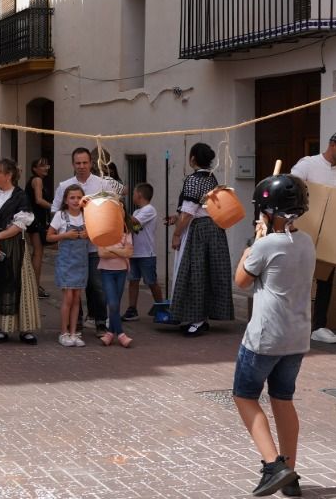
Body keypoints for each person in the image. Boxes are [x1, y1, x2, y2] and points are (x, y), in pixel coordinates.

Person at [232, 173, 316, 497]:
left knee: (245, 395)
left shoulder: (265, 245)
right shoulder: (307, 241)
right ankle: (290, 471)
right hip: (296, 338)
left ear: (269, 210)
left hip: (265, 337)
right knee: (283, 400)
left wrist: (252, 245)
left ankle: (272, 465)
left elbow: (241, 280)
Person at [291, 130, 336, 345]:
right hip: (304, 230)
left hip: (330, 235)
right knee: (297, 277)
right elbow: (291, 189)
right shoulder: (307, 164)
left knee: (325, 279)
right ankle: (292, 323)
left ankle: (319, 325)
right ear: (332, 145)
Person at [168, 142, 234, 337]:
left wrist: (177, 233)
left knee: (194, 273)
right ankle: (201, 319)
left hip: (198, 230)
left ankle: (197, 320)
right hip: (215, 230)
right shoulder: (212, 178)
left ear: (193, 159)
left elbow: (188, 213)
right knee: (209, 273)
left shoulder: (193, 180)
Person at [0, 158, 39, 344]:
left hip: (13, 245)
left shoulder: (21, 196)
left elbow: (20, 224)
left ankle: (24, 329)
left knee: (18, 285)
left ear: (9, 175)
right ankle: (1, 328)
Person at [54, 147, 109, 334]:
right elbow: (56, 211)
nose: (82, 166)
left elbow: (110, 210)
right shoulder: (64, 186)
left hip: (94, 246)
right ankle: (74, 322)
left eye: (85, 162)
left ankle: (100, 320)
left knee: (96, 285)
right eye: (78, 163)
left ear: (91, 163)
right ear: (73, 164)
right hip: (71, 248)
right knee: (73, 288)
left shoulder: (102, 184)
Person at [48, 184, 90, 347]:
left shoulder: (86, 216)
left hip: (81, 262)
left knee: (77, 298)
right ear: (65, 200)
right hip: (66, 262)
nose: (75, 200)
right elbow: (49, 236)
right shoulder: (60, 215)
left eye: (79, 197)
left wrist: (89, 234)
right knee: (68, 297)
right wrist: (65, 235)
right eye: (72, 197)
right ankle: (63, 332)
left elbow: (95, 238)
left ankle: (74, 332)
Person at [124, 183, 163, 319]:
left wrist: (119, 208)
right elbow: (129, 227)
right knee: (133, 281)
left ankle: (161, 306)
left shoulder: (149, 210)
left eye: (134, 193)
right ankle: (132, 309)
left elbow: (134, 222)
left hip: (147, 253)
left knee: (151, 281)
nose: (133, 196)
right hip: (134, 252)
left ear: (139, 195)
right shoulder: (136, 211)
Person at [96, 212, 134, 348]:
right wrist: (120, 251)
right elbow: (102, 253)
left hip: (122, 271)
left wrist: (111, 249)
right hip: (106, 271)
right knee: (112, 304)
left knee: (116, 305)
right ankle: (121, 334)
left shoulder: (126, 230)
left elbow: (129, 252)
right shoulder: (102, 231)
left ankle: (110, 333)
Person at [25, 156, 52, 299]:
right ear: (35, 169)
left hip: (35, 219)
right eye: (42, 165)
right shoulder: (37, 180)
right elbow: (39, 200)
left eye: (47, 165)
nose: (46, 167)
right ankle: (35, 286)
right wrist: (55, 208)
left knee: (37, 252)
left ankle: (34, 285)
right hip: (36, 221)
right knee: (38, 253)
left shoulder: (35, 180)